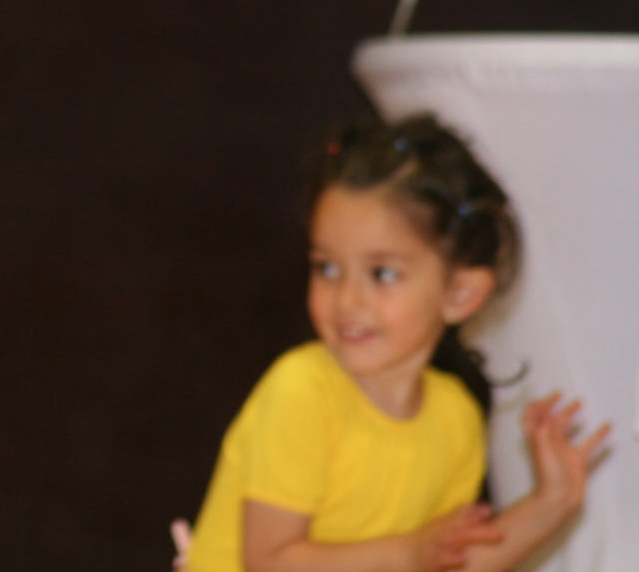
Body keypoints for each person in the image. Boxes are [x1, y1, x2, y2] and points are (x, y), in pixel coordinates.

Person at [182, 115, 610, 572]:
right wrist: (406, 554)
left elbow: (446, 563)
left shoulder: (456, 419)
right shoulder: (302, 391)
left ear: (460, 293)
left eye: (382, 273)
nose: (347, 300)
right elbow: (269, 562)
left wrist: (552, 502)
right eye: (327, 268)